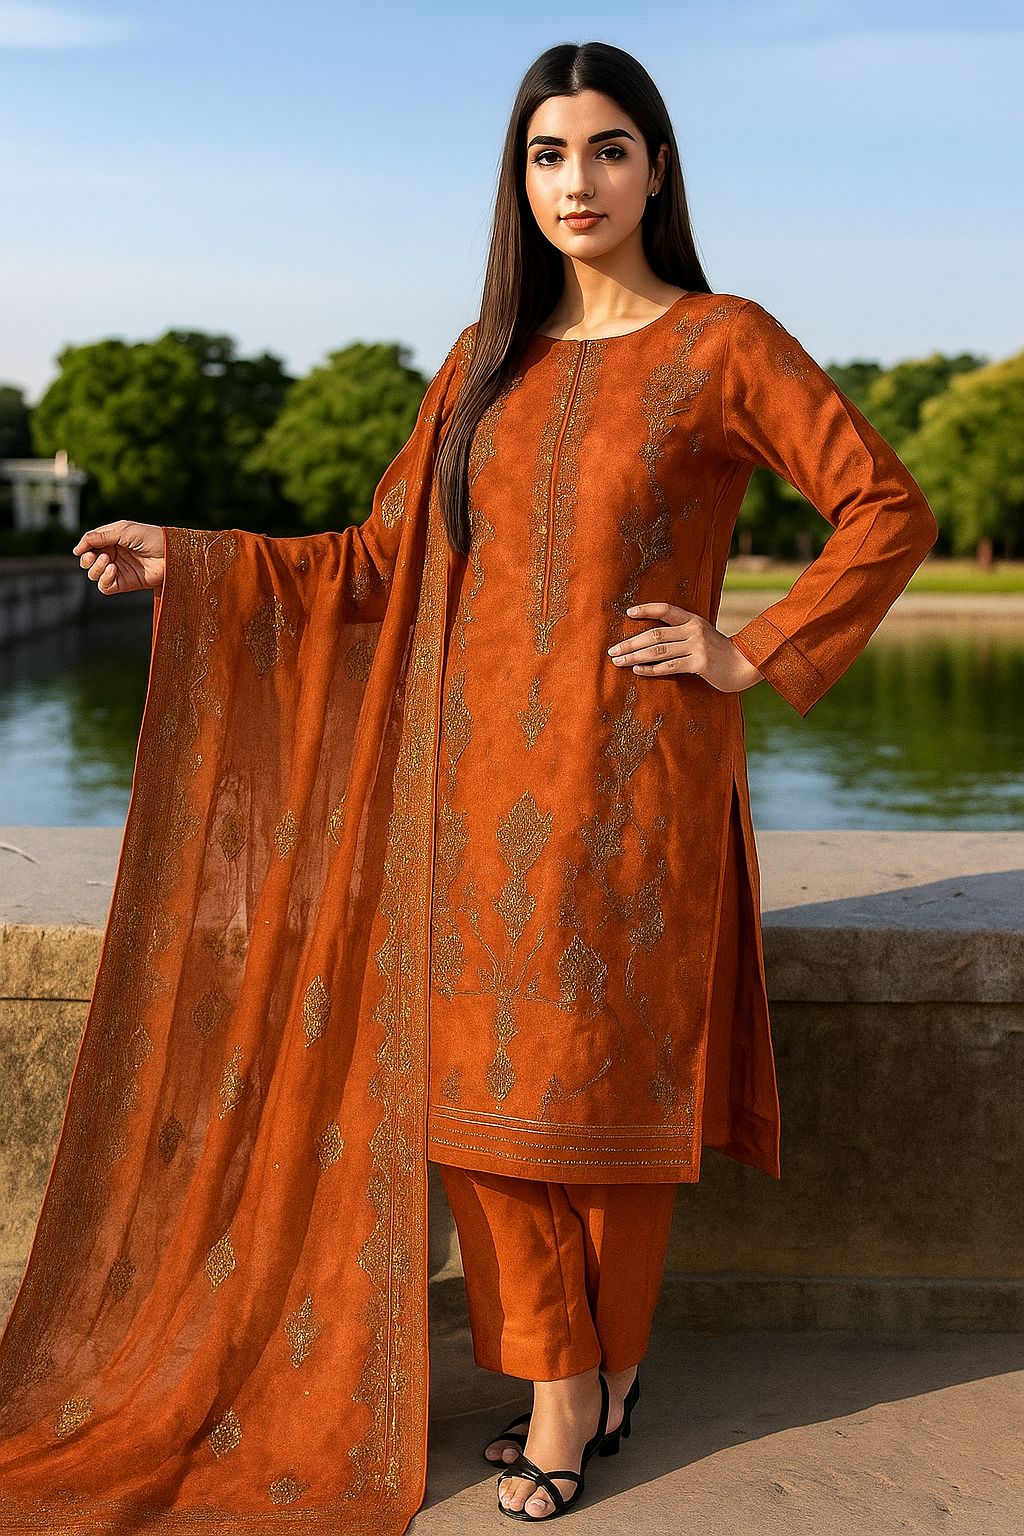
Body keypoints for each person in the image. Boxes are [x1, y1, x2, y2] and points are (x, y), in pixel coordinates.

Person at [0, 40, 935, 1534]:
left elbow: (887, 503)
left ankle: (589, 1380)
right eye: (550, 154)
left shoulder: (723, 343)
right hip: (464, 790)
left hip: (634, 790)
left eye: (610, 149)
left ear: (659, 167)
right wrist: (196, 555)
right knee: (474, 1109)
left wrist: (751, 649)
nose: (581, 181)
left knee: (601, 1104)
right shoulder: (479, 361)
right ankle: (570, 1375)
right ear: (521, 180)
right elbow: (379, 569)